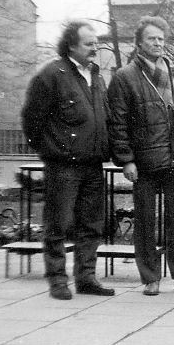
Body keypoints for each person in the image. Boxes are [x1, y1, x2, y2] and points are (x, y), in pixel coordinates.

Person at [21, 20, 115, 300]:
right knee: (58, 225)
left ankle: (86, 278)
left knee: (91, 225)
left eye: (96, 43)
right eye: (89, 44)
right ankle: (58, 280)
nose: (94, 48)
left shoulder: (96, 76)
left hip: (93, 164)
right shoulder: (51, 74)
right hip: (63, 165)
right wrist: (52, 150)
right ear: (71, 45)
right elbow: (31, 120)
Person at [107, 16, 174, 296]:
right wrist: (127, 160)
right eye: (151, 39)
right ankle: (150, 278)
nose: (158, 43)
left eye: (161, 39)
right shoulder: (124, 77)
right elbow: (117, 122)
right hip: (144, 162)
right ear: (139, 43)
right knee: (146, 222)